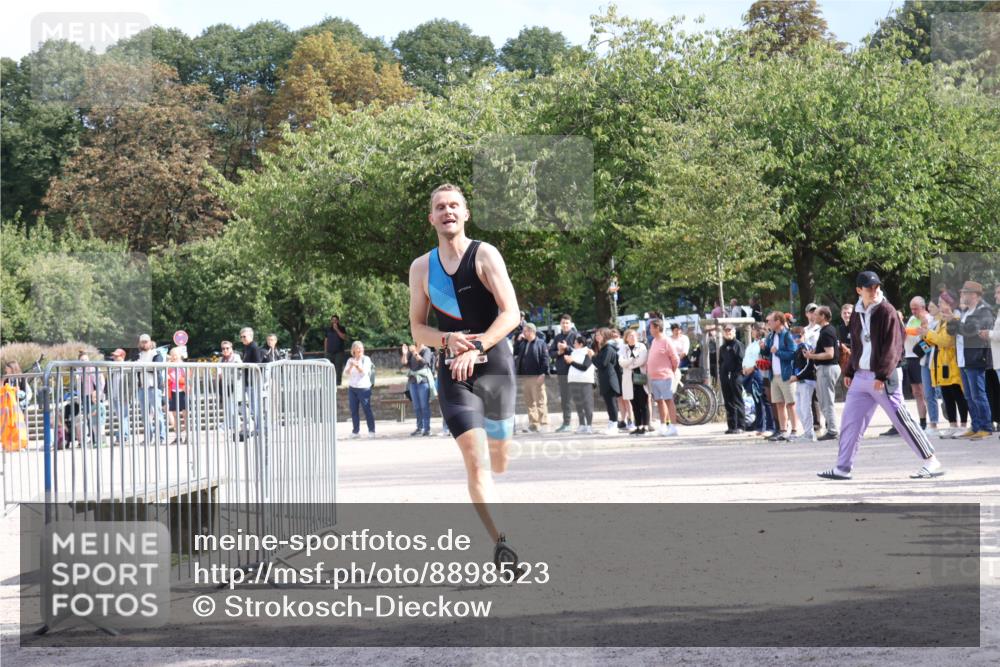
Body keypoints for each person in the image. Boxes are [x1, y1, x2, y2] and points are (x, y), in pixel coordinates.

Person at [407, 183, 523, 569]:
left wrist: (477, 346)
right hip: (454, 374)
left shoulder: (485, 254)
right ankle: (503, 545)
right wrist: (447, 340)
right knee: (477, 464)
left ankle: (500, 517)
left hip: (495, 366)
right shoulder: (422, 267)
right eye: (440, 207)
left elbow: (511, 314)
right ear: (431, 218)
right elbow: (417, 329)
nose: (447, 212)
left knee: (499, 459)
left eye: (454, 205)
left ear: (465, 213)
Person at [818, 271, 943, 480]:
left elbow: (894, 346)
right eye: (869, 288)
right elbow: (857, 345)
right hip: (861, 376)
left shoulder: (887, 311)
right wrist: (849, 370)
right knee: (850, 421)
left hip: (883, 376)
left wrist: (882, 375)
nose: (874, 290)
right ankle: (842, 467)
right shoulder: (857, 312)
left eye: (876, 287)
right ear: (859, 290)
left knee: (901, 419)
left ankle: (932, 461)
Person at [953, 281, 994, 439]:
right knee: (969, 396)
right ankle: (976, 425)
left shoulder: (983, 311)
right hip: (963, 358)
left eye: (965, 293)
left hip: (976, 357)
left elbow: (971, 331)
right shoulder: (965, 312)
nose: (962, 295)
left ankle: (985, 426)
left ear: (974, 295)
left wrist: (955, 322)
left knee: (978, 395)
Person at [921, 300, 968, 436]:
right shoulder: (940, 321)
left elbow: (945, 341)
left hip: (952, 362)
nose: (940, 306)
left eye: (942, 303)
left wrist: (929, 333)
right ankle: (952, 425)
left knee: (957, 394)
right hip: (941, 363)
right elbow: (934, 340)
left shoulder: (955, 320)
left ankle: (964, 425)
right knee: (947, 395)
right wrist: (925, 334)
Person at [806, 306, 841, 441]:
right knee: (824, 400)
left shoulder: (826, 332)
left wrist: (811, 356)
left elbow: (829, 354)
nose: (813, 316)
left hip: (827, 368)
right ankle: (831, 429)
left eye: (816, 314)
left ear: (823, 316)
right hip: (826, 368)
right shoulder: (826, 330)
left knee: (827, 401)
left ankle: (832, 430)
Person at [764, 310, 799, 441]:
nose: (768, 323)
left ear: (778, 322)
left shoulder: (787, 335)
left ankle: (794, 431)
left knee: (790, 403)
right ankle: (783, 430)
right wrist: (764, 347)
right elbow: (768, 351)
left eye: (770, 321)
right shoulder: (772, 335)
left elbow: (793, 354)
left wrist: (778, 352)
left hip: (786, 375)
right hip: (774, 375)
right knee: (779, 404)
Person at [646, 319, 680, 437]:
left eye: (651, 328)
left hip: (665, 377)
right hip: (654, 377)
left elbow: (675, 359)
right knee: (660, 401)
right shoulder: (654, 341)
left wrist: (671, 371)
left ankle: (673, 427)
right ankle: (663, 425)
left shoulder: (667, 341)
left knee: (668, 400)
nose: (649, 330)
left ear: (657, 328)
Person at [514, 322, 550, 433]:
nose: (523, 333)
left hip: (537, 376)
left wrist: (543, 373)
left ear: (532, 331)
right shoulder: (523, 343)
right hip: (525, 377)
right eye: (523, 331)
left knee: (540, 401)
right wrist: (518, 340)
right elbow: (515, 352)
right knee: (529, 402)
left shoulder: (540, 343)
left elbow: (545, 359)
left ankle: (544, 424)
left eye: (525, 331)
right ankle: (534, 424)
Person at [903, 296, 931, 430]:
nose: (913, 311)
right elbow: (907, 334)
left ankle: (933, 420)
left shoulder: (928, 319)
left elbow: (928, 341)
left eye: (916, 308)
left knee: (925, 390)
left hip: (920, 357)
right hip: (909, 357)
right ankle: (922, 421)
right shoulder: (912, 319)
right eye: (911, 309)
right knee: (916, 391)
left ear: (923, 307)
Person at [742, 322, 774, 436]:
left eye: (753, 330)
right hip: (748, 374)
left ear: (759, 330)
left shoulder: (763, 342)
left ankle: (770, 426)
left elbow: (760, 358)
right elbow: (747, 358)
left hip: (758, 373)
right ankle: (759, 426)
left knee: (764, 400)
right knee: (756, 401)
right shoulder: (752, 344)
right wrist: (745, 368)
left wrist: (752, 368)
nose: (752, 332)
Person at [548, 314, 579, 432]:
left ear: (571, 324)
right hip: (562, 372)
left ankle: (584, 423)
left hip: (575, 371)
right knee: (565, 398)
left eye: (567, 323)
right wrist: (559, 352)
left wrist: (567, 348)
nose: (565, 325)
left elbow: (581, 352)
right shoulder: (557, 337)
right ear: (560, 324)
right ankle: (566, 423)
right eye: (563, 323)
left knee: (578, 397)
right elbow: (551, 353)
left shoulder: (576, 335)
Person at [135, 334, 167, 443]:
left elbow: (156, 367)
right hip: (142, 388)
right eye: (142, 341)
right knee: (144, 415)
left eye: (146, 341)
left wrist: (142, 367)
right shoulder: (138, 355)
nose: (144, 343)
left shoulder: (156, 354)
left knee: (158, 414)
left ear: (150, 342)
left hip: (154, 387)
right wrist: (144, 367)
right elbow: (135, 367)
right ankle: (148, 437)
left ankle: (161, 437)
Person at [788, 328, 818, 442]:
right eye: (793, 337)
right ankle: (807, 432)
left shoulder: (805, 347)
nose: (796, 339)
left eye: (798, 336)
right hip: (800, 381)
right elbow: (795, 366)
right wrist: (794, 376)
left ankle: (810, 433)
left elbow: (809, 366)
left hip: (806, 381)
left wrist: (797, 376)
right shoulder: (798, 348)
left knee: (805, 408)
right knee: (800, 409)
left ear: (803, 335)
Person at [619, 328, 651, 435]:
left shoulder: (641, 347)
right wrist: (632, 360)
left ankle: (645, 426)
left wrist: (629, 363)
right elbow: (621, 362)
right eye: (630, 336)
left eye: (634, 335)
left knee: (643, 403)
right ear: (626, 338)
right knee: (634, 405)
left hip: (640, 379)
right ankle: (638, 426)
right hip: (629, 380)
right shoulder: (623, 348)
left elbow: (641, 360)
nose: (632, 337)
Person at [593, 328, 623, 434]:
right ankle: (611, 423)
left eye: (599, 335)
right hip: (604, 379)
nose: (597, 337)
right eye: (596, 335)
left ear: (605, 336)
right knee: (608, 403)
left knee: (611, 403)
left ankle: (614, 425)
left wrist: (592, 356)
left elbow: (602, 364)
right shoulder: (603, 348)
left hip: (610, 379)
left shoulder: (608, 348)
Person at [563, 336, 596, 434]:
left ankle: (589, 425)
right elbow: (571, 365)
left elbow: (584, 367)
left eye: (575, 343)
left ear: (581, 344)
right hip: (573, 381)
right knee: (578, 404)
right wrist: (569, 361)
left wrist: (571, 362)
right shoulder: (573, 353)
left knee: (587, 404)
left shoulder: (588, 352)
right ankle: (582, 424)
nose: (573, 345)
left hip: (585, 381)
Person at [401, 342, 435, 436]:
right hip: (413, 382)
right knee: (417, 407)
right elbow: (404, 363)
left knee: (424, 406)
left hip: (423, 382)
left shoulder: (426, 350)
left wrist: (415, 352)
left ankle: (427, 429)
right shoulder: (411, 350)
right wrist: (404, 353)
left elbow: (425, 362)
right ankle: (419, 428)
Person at [718, 324, 746, 434]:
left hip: (736, 375)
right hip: (725, 376)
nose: (728, 333)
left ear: (734, 332)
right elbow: (721, 362)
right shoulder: (722, 348)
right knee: (728, 401)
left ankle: (740, 425)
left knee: (737, 400)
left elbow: (742, 361)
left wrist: (738, 374)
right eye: (726, 331)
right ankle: (731, 425)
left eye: (730, 331)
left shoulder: (738, 345)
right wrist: (722, 374)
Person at [345, 341, 376, 439]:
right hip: (352, 388)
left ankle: (371, 431)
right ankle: (355, 431)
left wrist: (358, 366)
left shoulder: (366, 359)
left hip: (363, 388)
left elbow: (364, 373)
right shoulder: (350, 360)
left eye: (361, 348)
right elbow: (346, 373)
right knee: (354, 410)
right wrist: (351, 366)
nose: (360, 350)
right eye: (358, 348)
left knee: (367, 409)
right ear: (353, 350)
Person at [217, 340, 242, 433]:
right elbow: (219, 371)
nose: (225, 350)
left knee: (237, 406)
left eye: (227, 348)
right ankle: (229, 424)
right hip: (225, 385)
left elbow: (240, 366)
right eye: (223, 348)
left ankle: (239, 424)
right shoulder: (221, 359)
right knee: (228, 406)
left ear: (231, 348)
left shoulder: (236, 357)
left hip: (236, 385)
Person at [166, 346, 188, 444]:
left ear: (180, 355)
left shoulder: (183, 366)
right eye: (172, 355)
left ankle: (188, 436)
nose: (174, 357)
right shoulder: (169, 366)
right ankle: (178, 436)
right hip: (173, 392)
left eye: (175, 355)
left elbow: (187, 378)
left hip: (182, 391)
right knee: (175, 415)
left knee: (185, 414)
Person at [325, 315, 348, 385]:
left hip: (339, 352)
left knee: (338, 368)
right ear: (331, 321)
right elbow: (326, 340)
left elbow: (344, 338)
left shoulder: (342, 328)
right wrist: (325, 351)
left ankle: (338, 382)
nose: (334, 321)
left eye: (335, 320)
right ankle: (328, 383)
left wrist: (337, 330)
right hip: (329, 352)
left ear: (338, 321)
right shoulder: (328, 329)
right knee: (328, 368)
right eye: (332, 320)